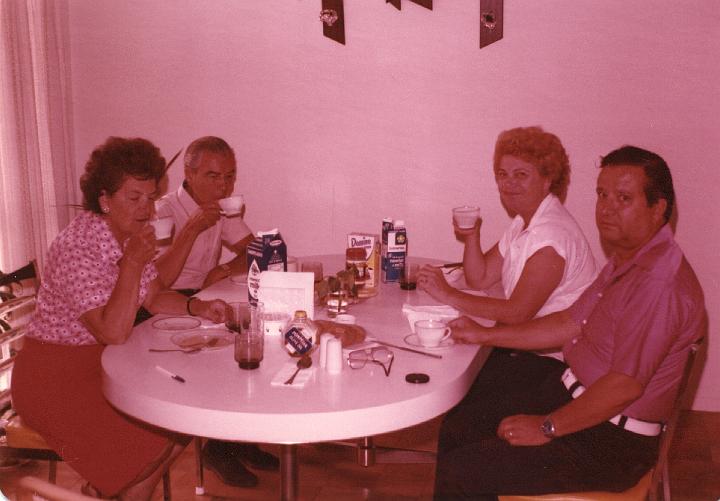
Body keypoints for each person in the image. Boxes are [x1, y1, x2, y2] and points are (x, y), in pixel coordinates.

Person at [433, 145, 706, 500]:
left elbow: (624, 386)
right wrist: (484, 333)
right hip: (578, 393)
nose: (606, 208)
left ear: (659, 208)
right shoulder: (630, 260)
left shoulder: (658, 283)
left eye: (623, 198)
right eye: (602, 195)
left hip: (614, 440)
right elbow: (568, 323)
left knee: (465, 471)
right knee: (461, 424)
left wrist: (547, 427)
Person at [11, 137, 229, 500]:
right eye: (134, 197)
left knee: (176, 424)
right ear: (104, 199)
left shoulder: (127, 235)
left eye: (150, 197)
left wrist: (198, 308)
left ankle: (108, 492)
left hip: (103, 365)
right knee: (152, 437)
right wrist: (131, 262)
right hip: (53, 379)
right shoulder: (78, 246)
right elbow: (112, 330)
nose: (146, 209)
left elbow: (155, 294)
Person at [153, 136, 278, 488]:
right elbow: (156, 278)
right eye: (213, 176)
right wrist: (192, 228)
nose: (223, 184)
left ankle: (236, 440)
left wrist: (222, 271)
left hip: (205, 297)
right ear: (188, 173)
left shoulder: (222, 207)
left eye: (229, 176)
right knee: (223, 358)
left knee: (252, 341)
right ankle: (217, 448)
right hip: (165, 304)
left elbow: (258, 251)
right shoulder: (163, 212)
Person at [419, 127, 597, 337]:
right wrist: (471, 236)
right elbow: (481, 278)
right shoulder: (524, 221)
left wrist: (447, 293)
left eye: (521, 174)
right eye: (503, 174)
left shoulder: (551, 237)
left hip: (549, 357)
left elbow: (517, 313)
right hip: (520, 341)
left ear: (547, 180)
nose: (509, 182)